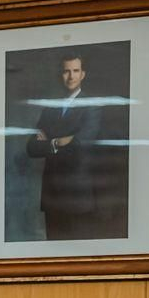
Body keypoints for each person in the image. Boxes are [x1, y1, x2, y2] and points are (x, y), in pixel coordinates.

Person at [24, 51, 104, 240]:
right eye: (66, 71)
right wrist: (59, 141)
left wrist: (49, 142)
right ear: (61, 75)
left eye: (75, 71)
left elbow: (79, 144)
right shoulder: (50, 108)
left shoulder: (93, 106)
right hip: (52, 195)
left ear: (83, 74)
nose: (71, 76)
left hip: (78, 196)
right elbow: (31, 147)